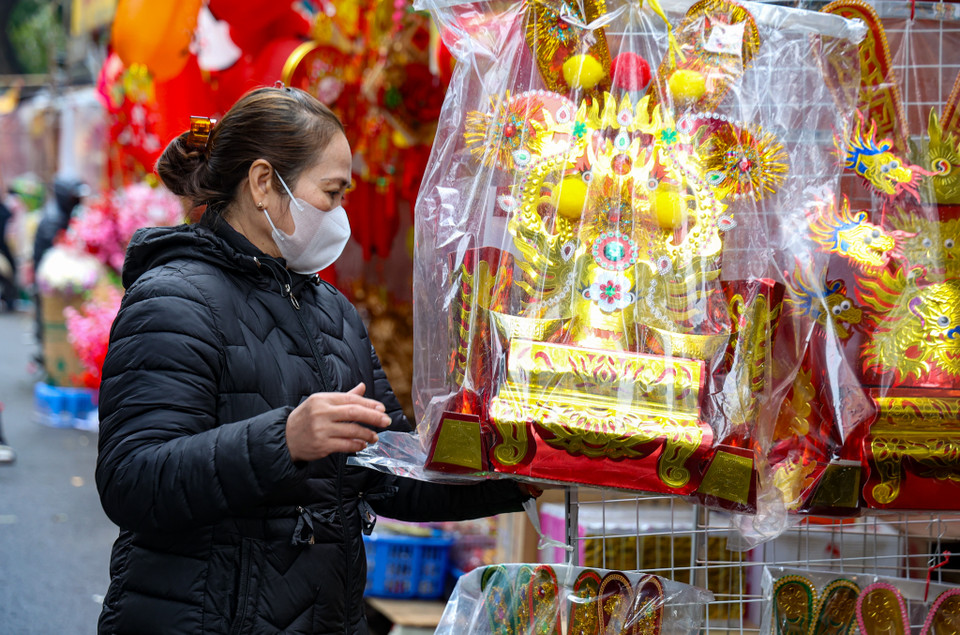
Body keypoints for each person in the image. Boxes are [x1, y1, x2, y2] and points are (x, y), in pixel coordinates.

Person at [95, 86, 536, 635]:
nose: (340, 213)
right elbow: (131, 480)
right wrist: (284, 439)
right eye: (332, 193)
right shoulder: (173, 299)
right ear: (263, 184)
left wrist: (523, 467)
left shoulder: (332, 312)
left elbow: (392, 470)